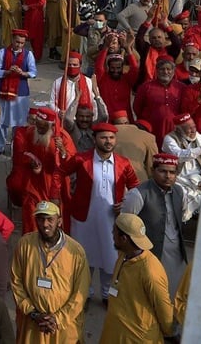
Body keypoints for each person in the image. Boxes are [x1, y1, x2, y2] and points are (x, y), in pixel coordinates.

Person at [60, 122, 139, 304]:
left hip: (111, 221)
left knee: (110, 258)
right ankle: (84, 294)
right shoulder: (82, 159)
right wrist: (62, 198)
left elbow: (135, 186)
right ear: (95, 139)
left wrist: (126, 203)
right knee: (83, 258)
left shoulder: (123, 163)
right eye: (104, 137)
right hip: (84, 218)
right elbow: (60, 172)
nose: (108, 141)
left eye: (111, 138)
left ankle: (106, 295)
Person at [9, 201, 89, 344]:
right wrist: (33, 312)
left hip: (63, 327)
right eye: (40, 219)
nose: (45, 224)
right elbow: (16, 282)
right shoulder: (24, 244)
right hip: (32, 324)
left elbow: (80, 294)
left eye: (49, 219)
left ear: (59, 221)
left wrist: (57, 319)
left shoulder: (76, 252)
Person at [100, 214, 175, 342]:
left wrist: (169, 333)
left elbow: (164, 310)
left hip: (137, 339)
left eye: (114, 231)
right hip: (114, 333)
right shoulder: (124, 254)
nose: (112, 234)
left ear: (124, 238)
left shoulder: (150, 271)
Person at [121, 153, 188, 296]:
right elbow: (125, 225)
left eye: (172, 172)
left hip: (176, 253)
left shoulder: (179, 191)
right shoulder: (138, 194)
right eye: (163, 171)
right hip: (149, 253)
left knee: (173, 292)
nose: (168, 176)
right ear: (152, 171)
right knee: (148, 293)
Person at [6, 108, 76, 233]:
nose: (39, 130)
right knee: (31, 221)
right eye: (37, 126)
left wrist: (63, 152)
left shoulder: (63, 138)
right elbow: (21, 154)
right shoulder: (30, 132)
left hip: (54, 185)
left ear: (51, 126)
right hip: (33, 183)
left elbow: (71, 164)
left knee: (54, 222)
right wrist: (31, 161)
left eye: (43, 128)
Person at [0, 29, 37, 157]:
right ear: (12, 40)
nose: (19, 45)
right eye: (17, 42)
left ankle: (16, 148)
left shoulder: (28, 55)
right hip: (5, 92)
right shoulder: (2, 52)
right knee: (1, 122)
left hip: (21, 93)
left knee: (19, 123)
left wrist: (22, 73)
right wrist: (6, 72)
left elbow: (33, 72)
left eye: (22, 43)